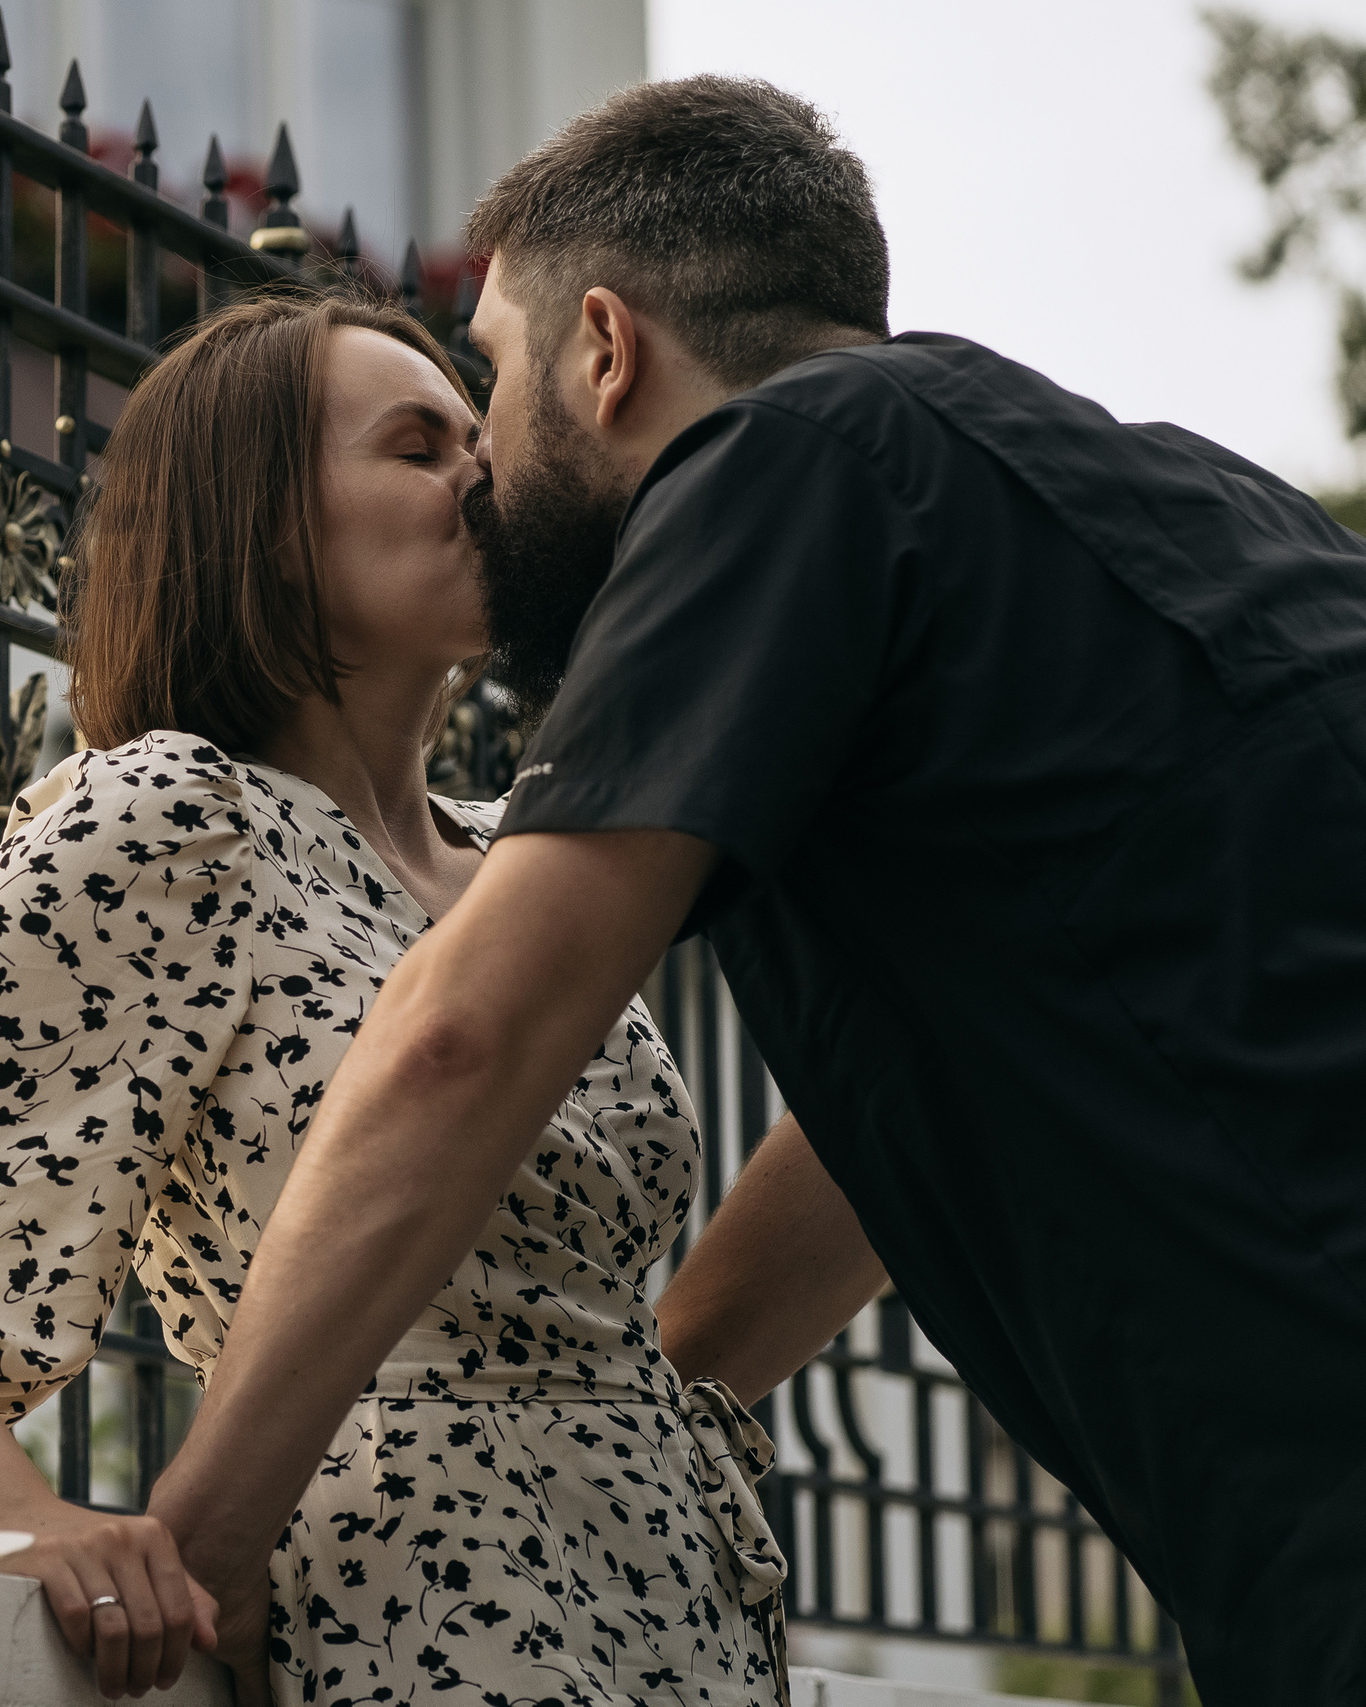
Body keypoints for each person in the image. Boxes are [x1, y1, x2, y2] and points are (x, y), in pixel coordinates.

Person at [142, 75, 1366, 1707]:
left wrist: (208, 1536)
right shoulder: (1165, 496)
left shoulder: (780, 465)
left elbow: (467, 1035)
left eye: (490, 382)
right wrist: (654, 1409)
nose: (484, 471)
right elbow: (920, 1093)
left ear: (605, 347)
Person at [0, 292, 790, 1707]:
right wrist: (26, 1522)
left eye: (476, 444)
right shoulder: (173, 817)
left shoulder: (520, 865)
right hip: (411, 1601)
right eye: (417, 446)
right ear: (262, 521)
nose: (481, 480)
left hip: (674, 1600)